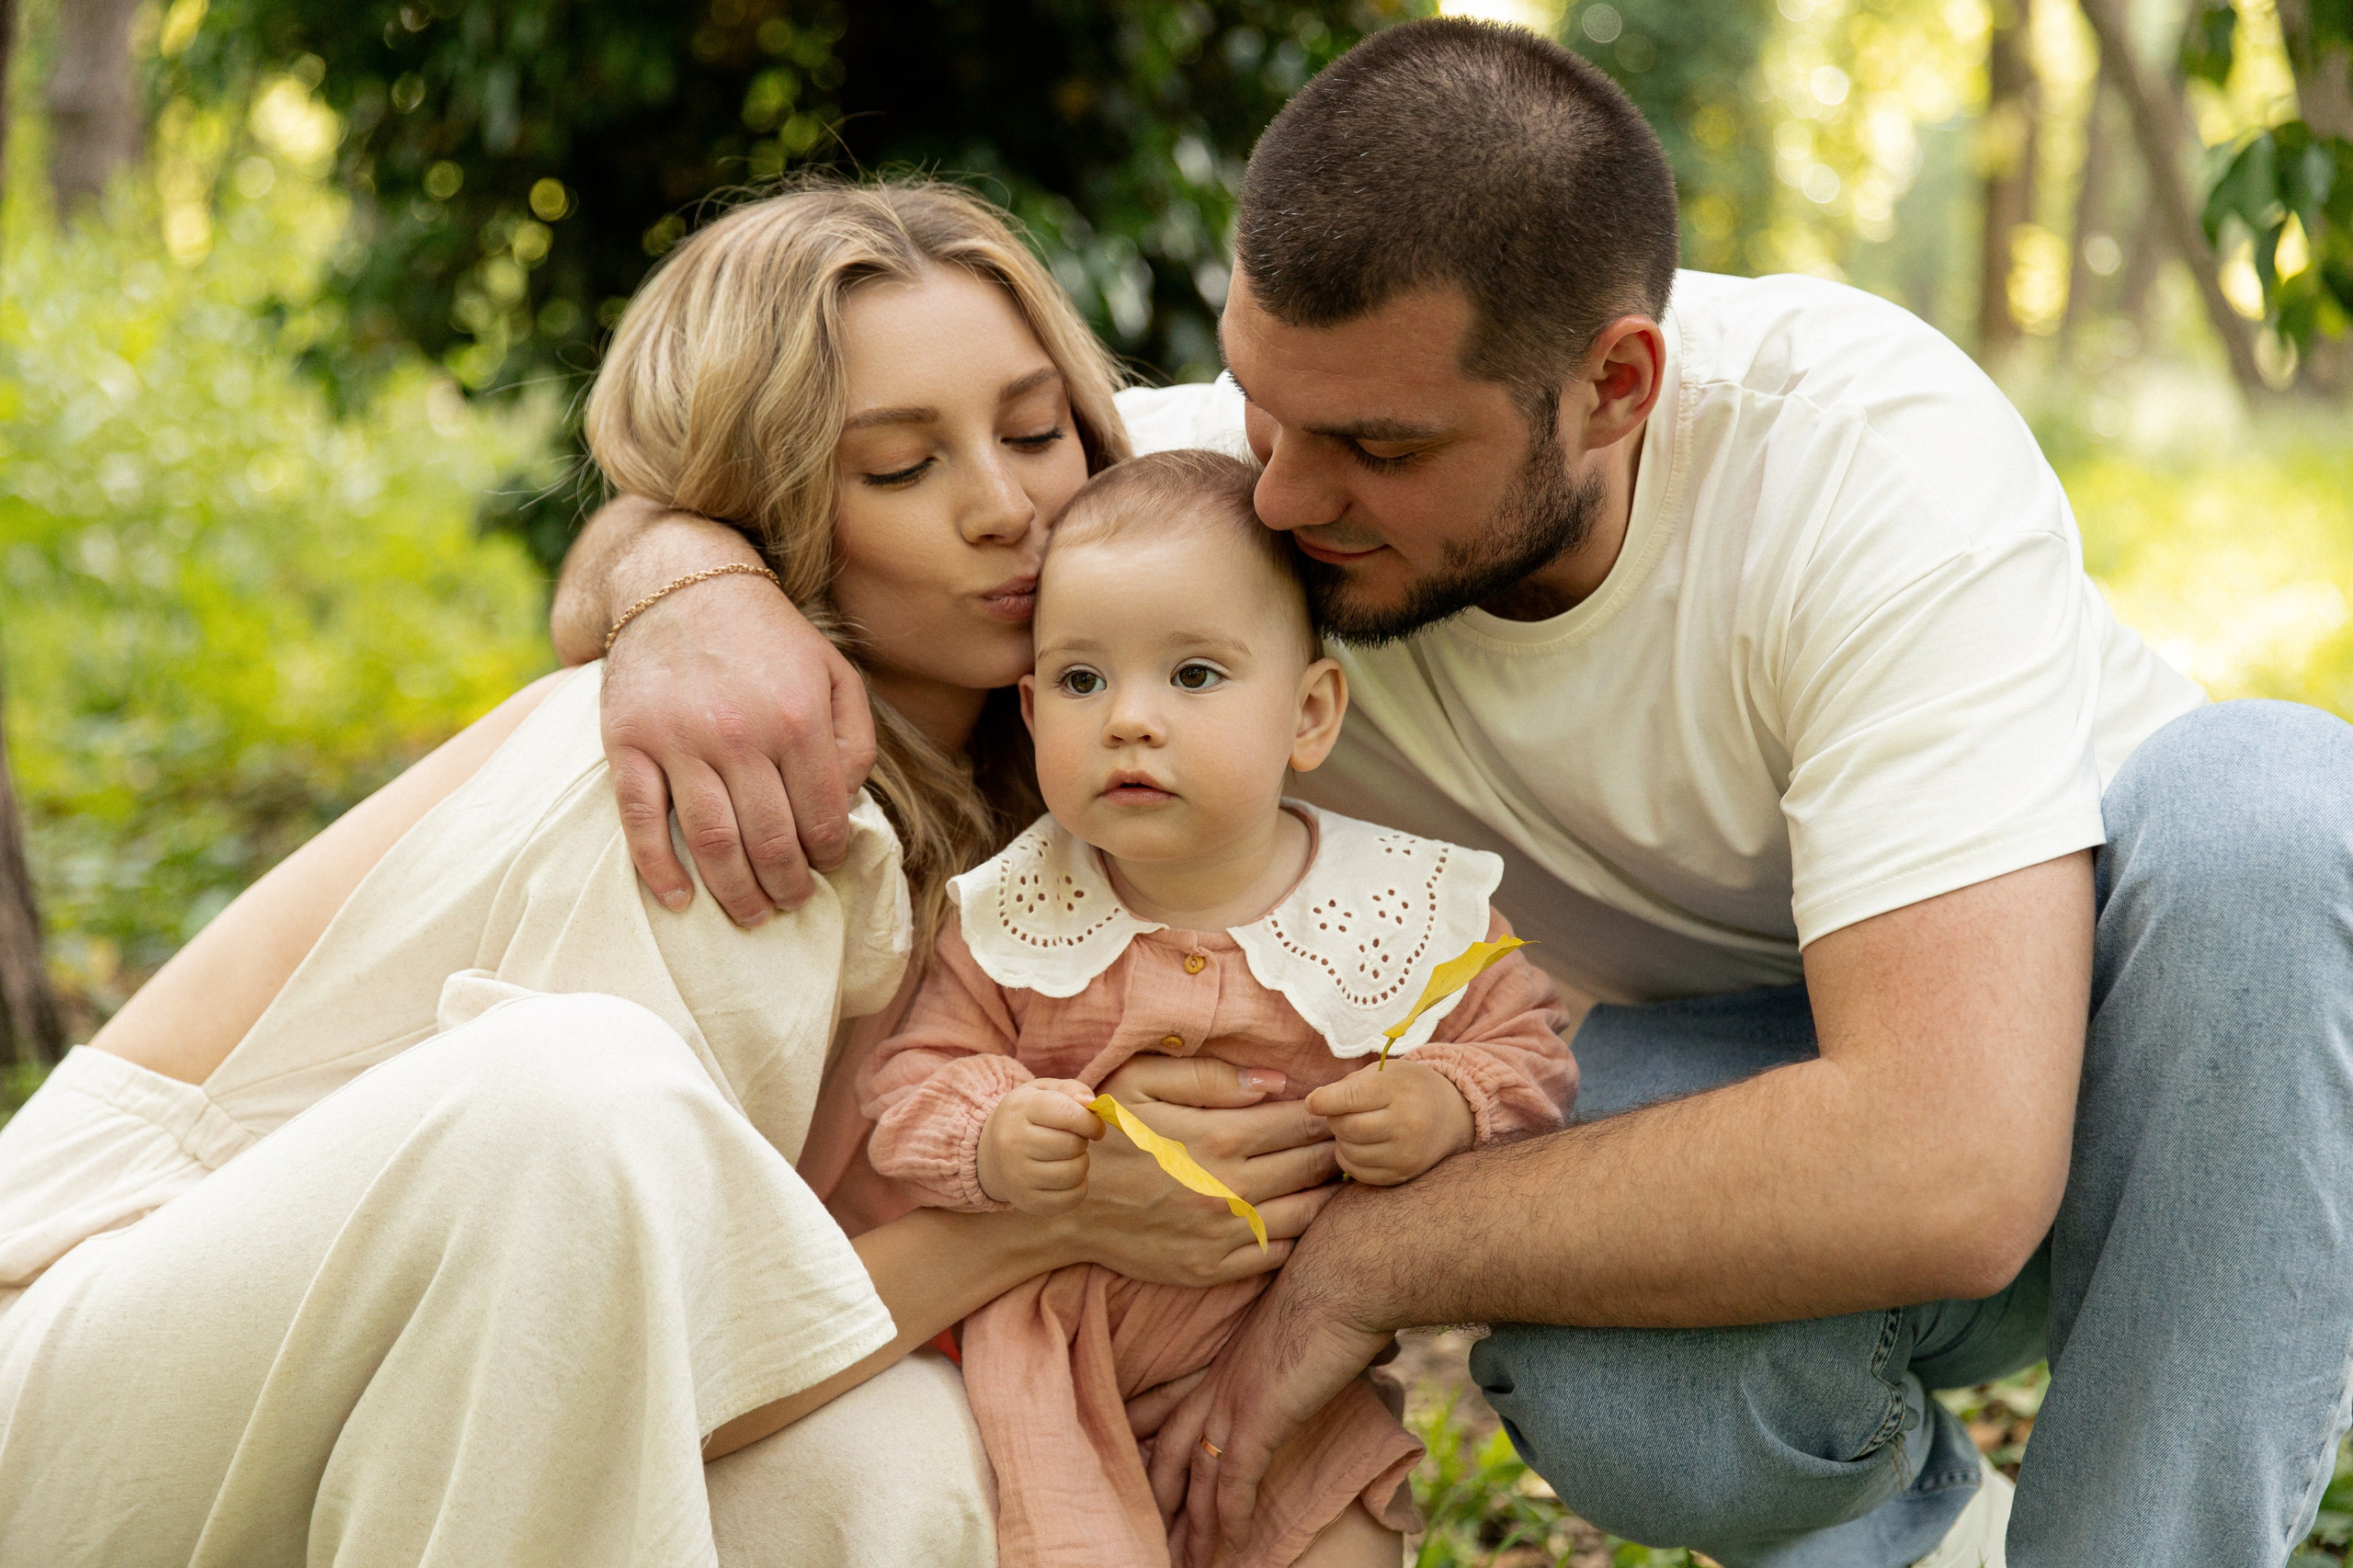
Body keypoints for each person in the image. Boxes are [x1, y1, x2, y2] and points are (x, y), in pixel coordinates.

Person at [555, 21, 2353, 1568]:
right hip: (1755, 1059)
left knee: (2275, 809)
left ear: (1612, 388)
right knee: (1616, 1383)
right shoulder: (1234, 523)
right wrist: (675, 583)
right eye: (1263, 412)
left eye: (1376, 449)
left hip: (2171, 1055)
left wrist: (1361, 1261)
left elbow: (1952, 1160)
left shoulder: (1859, 458)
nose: (1282, 495)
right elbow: (786, 503)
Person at [0, 179, 1346, 1567]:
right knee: (577, 1093)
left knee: (911, 1463)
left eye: (1032, 429)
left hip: (363, 1408)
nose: (1008, 507)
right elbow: (586, 1352)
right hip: (85, 1385)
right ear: (763, 504)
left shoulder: (1102, 722)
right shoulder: (715, 775)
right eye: (898, 468)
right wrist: (1036, 1219)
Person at [855, 449, 1574, 1567]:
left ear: (1309, 712)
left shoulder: (1391, 904)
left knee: (1335, 1542)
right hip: (1051, 1378)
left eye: (1192, 676)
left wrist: (1445, 1099)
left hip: (1285, 1368)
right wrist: (993, 1128)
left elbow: (1525, 1046)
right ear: (1032, 706)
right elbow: (910, 1081)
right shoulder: (1012, 913)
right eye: (1083, 682)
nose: (1130, 720)